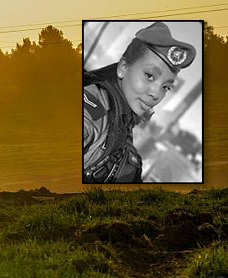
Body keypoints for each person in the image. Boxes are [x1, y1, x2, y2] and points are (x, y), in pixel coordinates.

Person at [83, 22, 196, 183]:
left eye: (166, 87)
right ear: (123, 67)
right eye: (149, 75)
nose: (156, 94)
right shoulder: (94, 110)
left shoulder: (122, 121)